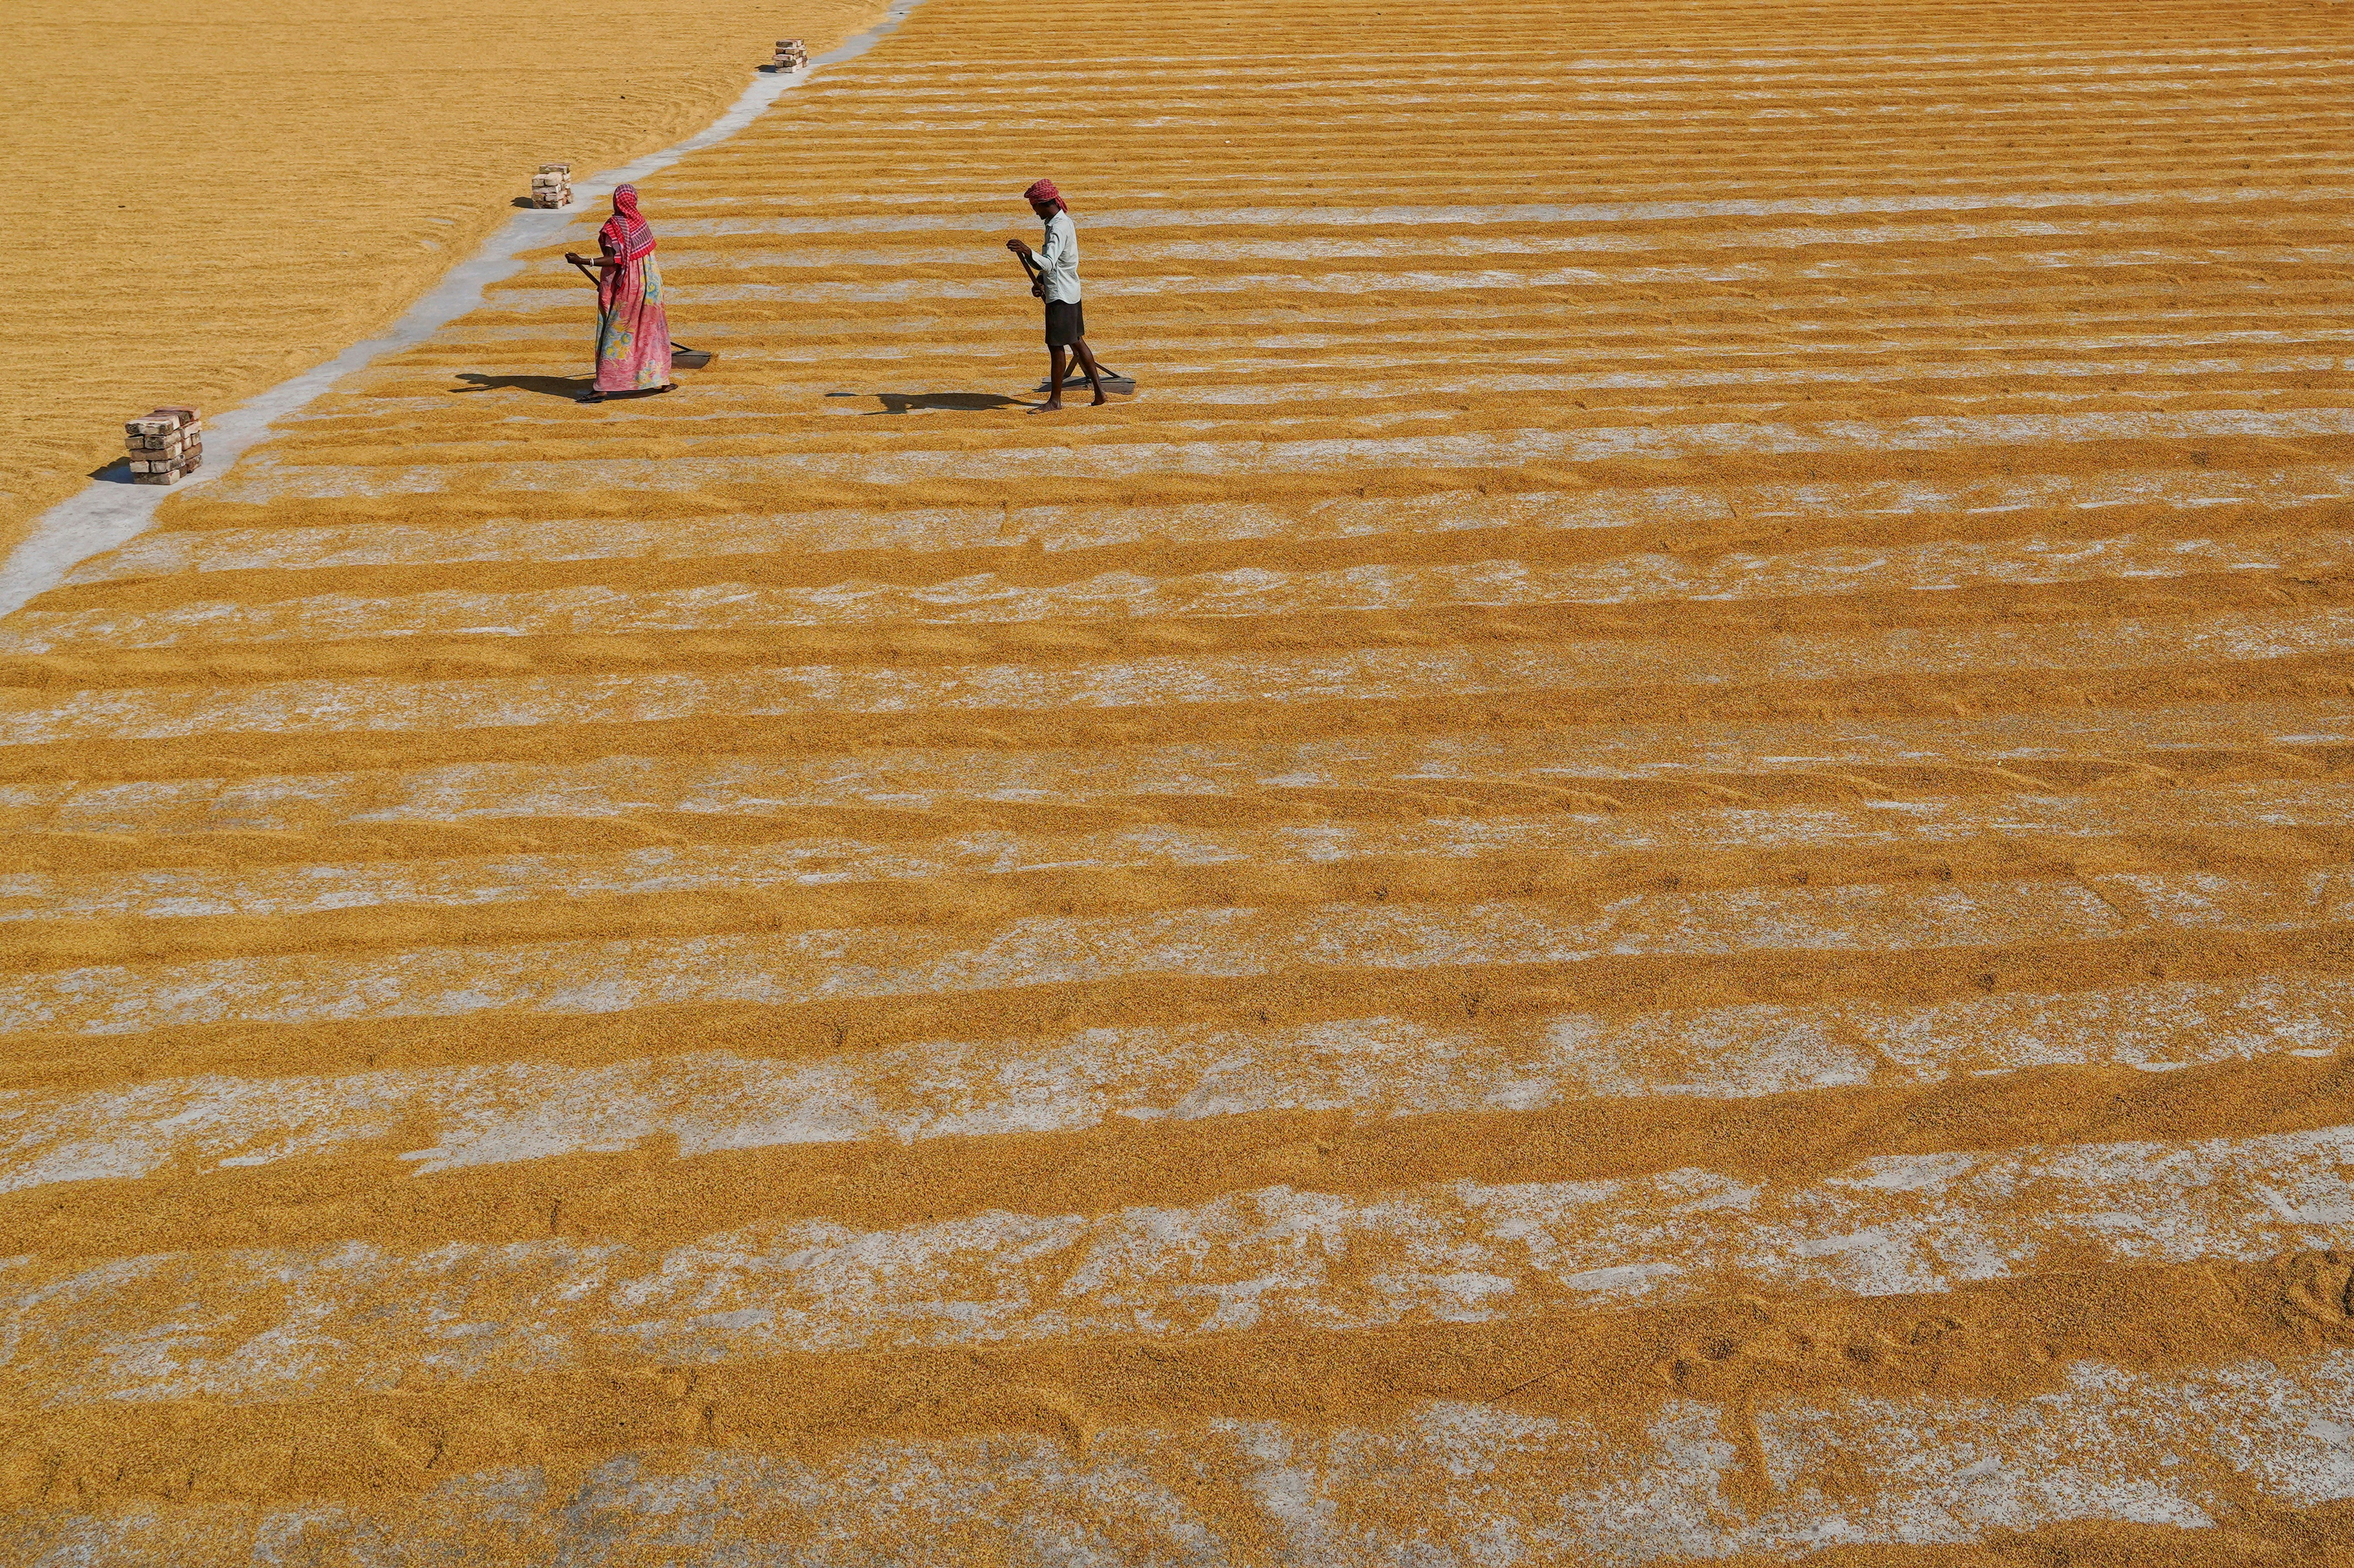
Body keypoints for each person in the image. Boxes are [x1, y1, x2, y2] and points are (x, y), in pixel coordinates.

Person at [1005, 179, 1108, 411]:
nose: (1034, 212)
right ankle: (1100, 394)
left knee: (1056, 346)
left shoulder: (1057, 228)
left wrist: (1027, 250)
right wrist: (1041, 280)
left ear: (1044, 204)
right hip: (1069, 290)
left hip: (1061, 296)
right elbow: (1058, 264)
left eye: (1035, 207)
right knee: (1077, 341)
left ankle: (1055, 401)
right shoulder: (1062, 222)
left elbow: (1050, 263)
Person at [565, 185, 673, 403]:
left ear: (616, 202)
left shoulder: (614, 227)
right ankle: (660, 380)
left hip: (627, 291)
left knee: (616, 334)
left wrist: (583, 261)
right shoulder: (641, 223)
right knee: (650, 333)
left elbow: (615, 260)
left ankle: (604, 386)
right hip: (651, 288)